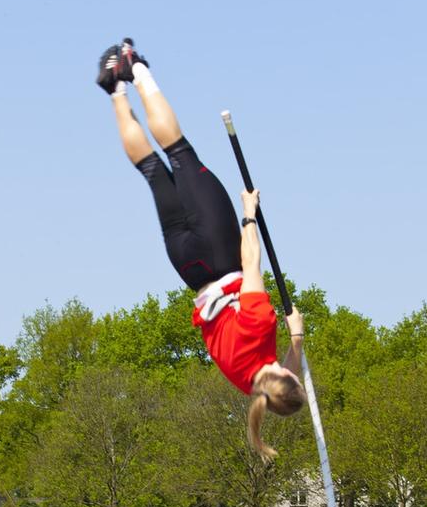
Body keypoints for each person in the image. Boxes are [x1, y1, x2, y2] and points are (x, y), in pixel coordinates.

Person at [97, 39, 307, 460]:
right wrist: (296, 340)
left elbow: (251, 261)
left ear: (284, 376)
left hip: (220, 251)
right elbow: (284, 372)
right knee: (152, 170)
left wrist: (249, 214)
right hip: (188, 266)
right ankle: (115, 88)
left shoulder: (260, 327)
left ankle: (136, 69)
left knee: (179, 152)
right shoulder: (246, 382)